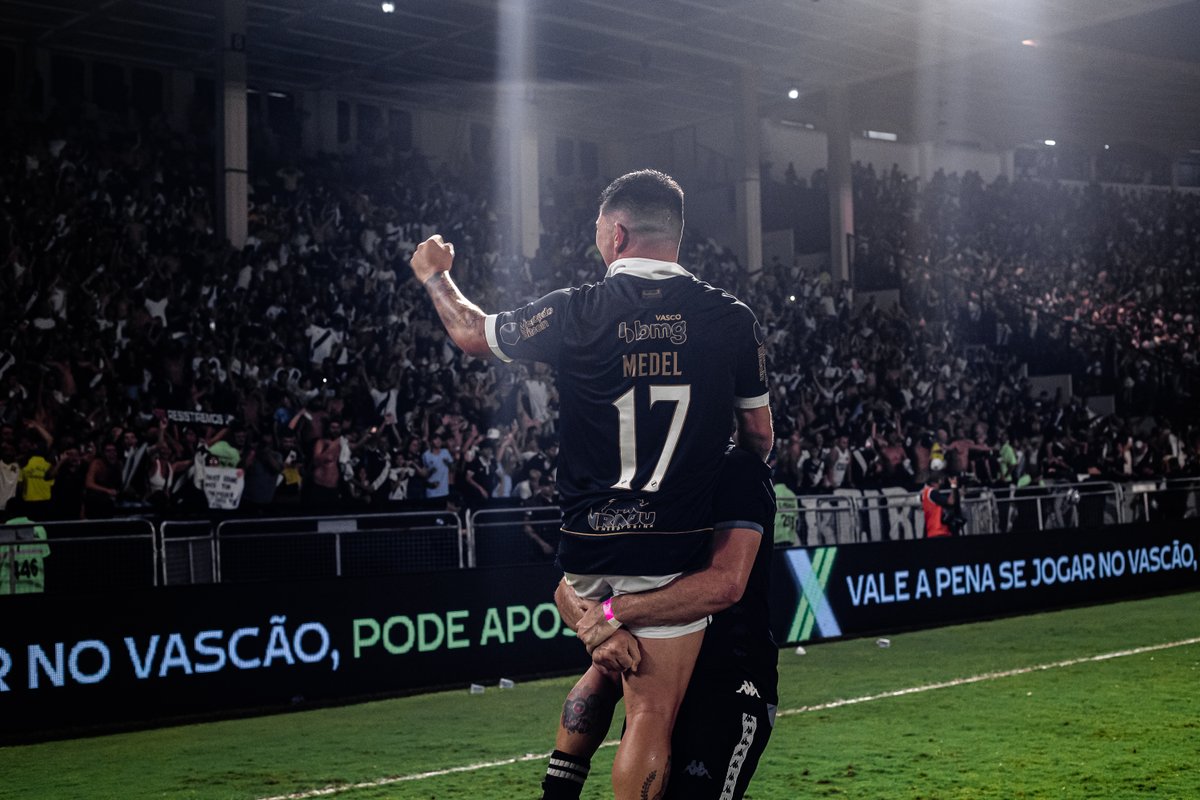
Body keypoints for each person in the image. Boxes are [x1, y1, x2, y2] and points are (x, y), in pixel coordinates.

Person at [410, 169, 772, 799]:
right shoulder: (729, 319)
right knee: (650, 711)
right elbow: (758, 435)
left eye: (599, 230)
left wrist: (434, 276)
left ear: (617, 233)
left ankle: (558, 790)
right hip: (667, 547)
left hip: (585, 549)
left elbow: (470, 331)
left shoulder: (571, 310)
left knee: (603, 666)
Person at [551, 446, 778, 800]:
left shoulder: (729, 469)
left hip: (722, 683)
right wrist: (605, 629)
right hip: (657, 679)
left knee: (608, 676)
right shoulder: (646, 475)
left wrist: (614, 613)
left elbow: (725, 586)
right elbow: (566, 589)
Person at [921, 461, 962, 538]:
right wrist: (953, 485)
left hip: (932, 531)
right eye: (940, 481)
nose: (941, 483)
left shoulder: (925, 493)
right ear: (935, 482)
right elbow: (951, 501)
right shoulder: (932, 493)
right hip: (939, 532)